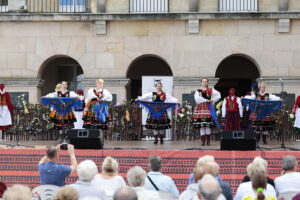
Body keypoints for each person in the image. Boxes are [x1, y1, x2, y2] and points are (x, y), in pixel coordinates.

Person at [193, 78, 221, 146]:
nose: (204, 83)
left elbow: (219, 95)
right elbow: (197, 99)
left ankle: (208, 141)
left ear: (207, 83)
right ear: (201, 83)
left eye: (206, 81)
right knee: (202, 125)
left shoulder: (211, 90)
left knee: (208, 125)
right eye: (203, 81)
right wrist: (206, 100)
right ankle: (203, 141)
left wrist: (212, 100)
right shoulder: (198, 91)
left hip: (209, 108)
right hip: (201, 108)